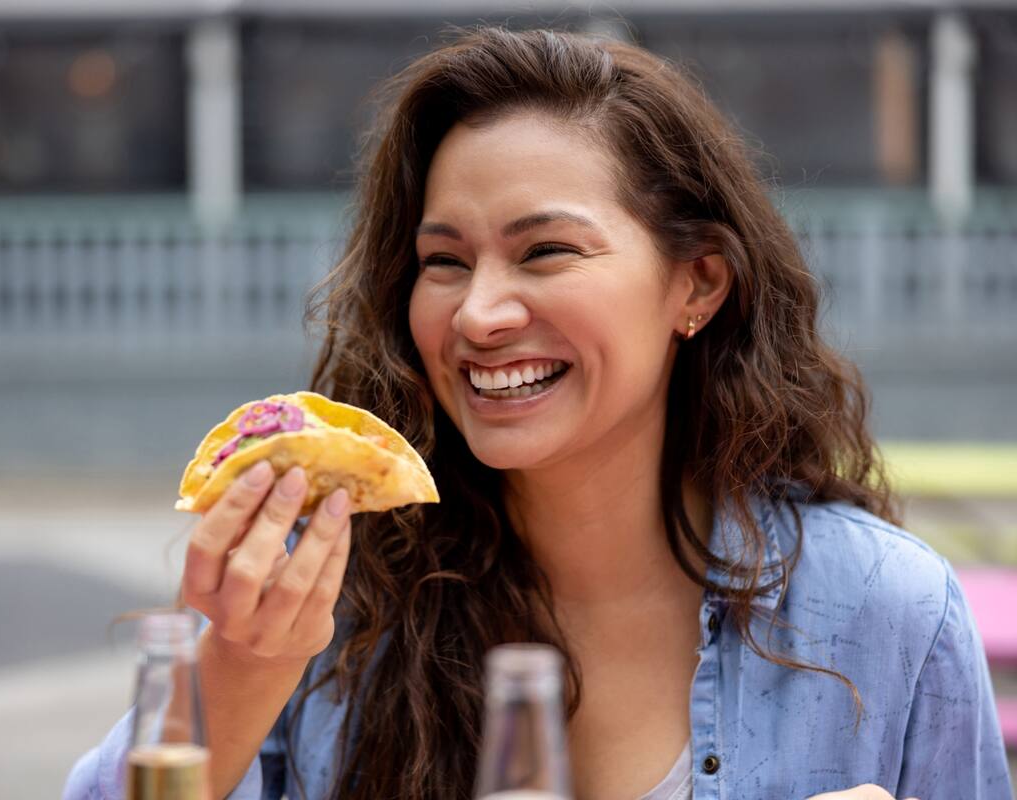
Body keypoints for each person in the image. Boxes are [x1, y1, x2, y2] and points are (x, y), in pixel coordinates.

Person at [65, 28, 1011, 800]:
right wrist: (237, 668)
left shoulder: (888, 614)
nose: (477, 313)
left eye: (547, 250)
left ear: (699, 283)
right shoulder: (335, 606)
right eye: (443, 263)